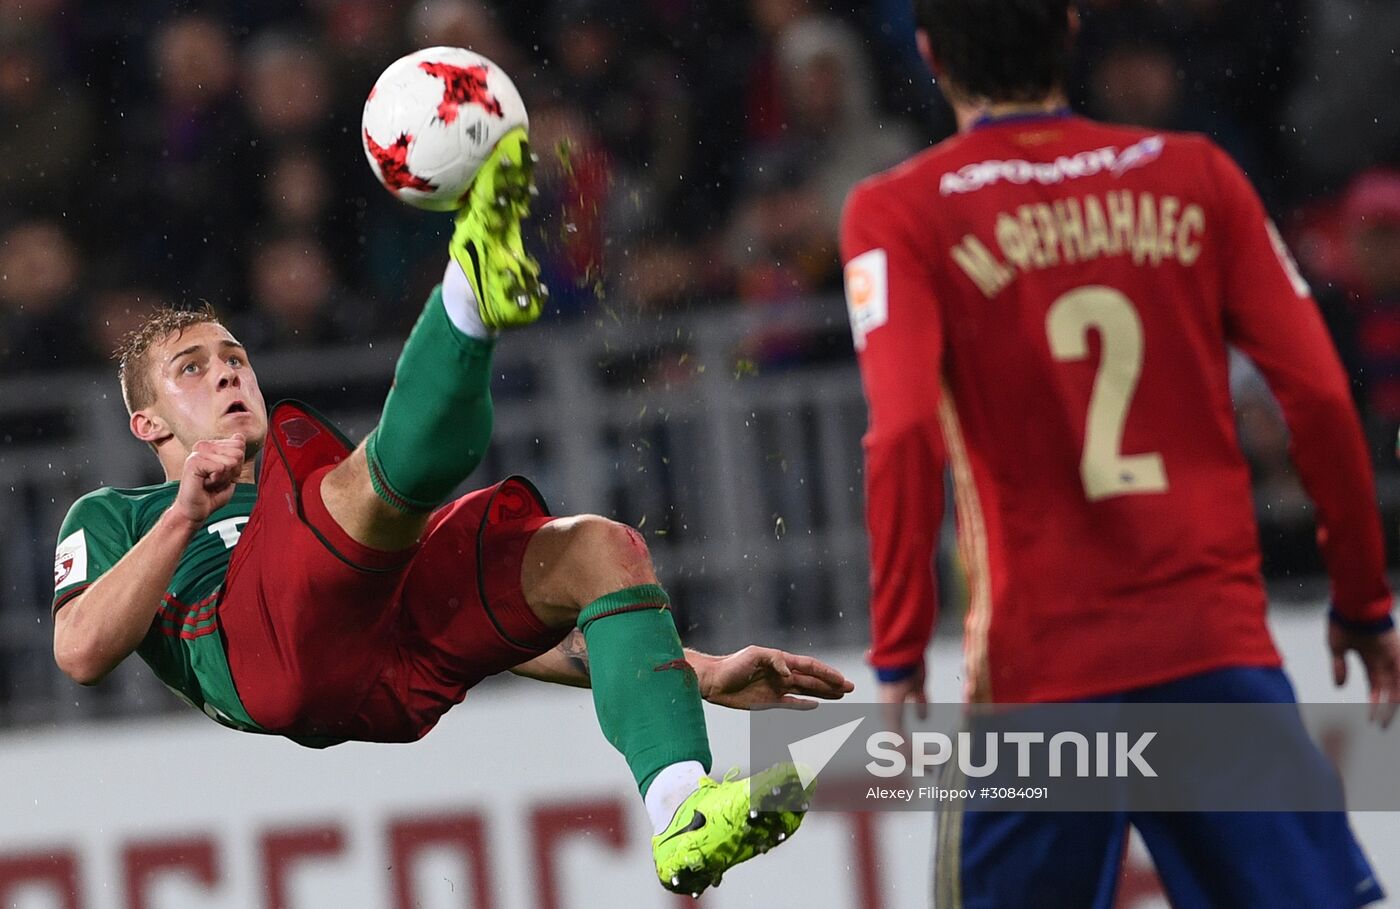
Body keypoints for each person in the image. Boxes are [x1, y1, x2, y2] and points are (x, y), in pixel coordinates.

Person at [51, 127, 852, 897]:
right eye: (193, 369)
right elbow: (80, 649)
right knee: (360, 485)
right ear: (147, 422)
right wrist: (186, 511)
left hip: (381, 655)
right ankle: (469, 287)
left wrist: (700, 670)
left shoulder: (298, 494)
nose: (228, 375)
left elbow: (496, 638)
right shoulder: (119, 513)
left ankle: (680, 807)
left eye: (235, 358)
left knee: (595, 551)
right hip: (259, 651)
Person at [840, 2, 1400, 907]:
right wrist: (1365, 598)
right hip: (1211, 648)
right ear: (1069, 29)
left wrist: (898, 645)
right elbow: (1324, 395)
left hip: (1042, 674)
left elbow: (902, 431)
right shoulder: (1195, 173)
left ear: (931, 53)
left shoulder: (899, 209)